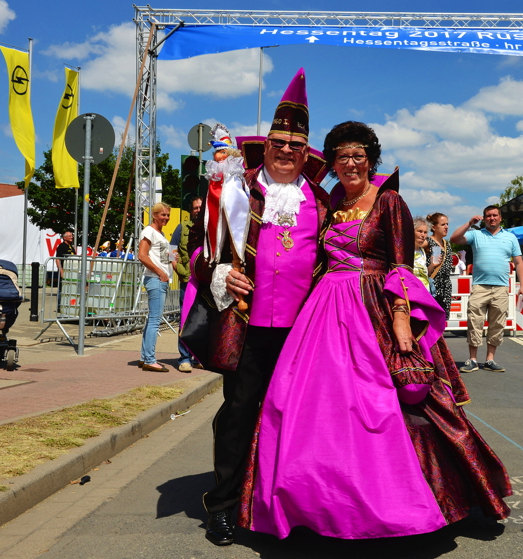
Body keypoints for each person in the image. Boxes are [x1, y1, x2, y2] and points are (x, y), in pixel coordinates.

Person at [240, 121, 512, 540]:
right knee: (303, 403)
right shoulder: (328, 202)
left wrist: (401, 319)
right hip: (324, 309)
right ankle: (312, 500)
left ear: (371, 160)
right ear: (331, 163)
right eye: (341, 157)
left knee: (392, 402)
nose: (350, 164)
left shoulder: (388, 201)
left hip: (374, 309)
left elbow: (401, 264)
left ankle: (414, 500)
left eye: (358, 156)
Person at [186, 69, 331, 547]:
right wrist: (221, 273)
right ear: (264, 145)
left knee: (297, 419)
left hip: (304, 333)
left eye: (295, 144)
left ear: (306, 152)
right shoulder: (234, 190)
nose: (286, 150)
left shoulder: (324, 202)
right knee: (238, 413)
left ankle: (283, 503)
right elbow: (199, 254)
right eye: (278, 141)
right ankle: (223, 505)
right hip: (246, 326)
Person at [450, 206, 523, 373]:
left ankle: (490, 360)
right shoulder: (476, 234)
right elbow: (454, 239)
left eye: (494, 215)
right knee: (474, 322)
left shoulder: (510, 238)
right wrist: (469, 223)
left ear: (500, 218)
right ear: (484, 218)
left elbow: (519, 262)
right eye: (488, 216)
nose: (491, 218)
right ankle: (472, 359)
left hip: (501, 287)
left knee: (497, 324)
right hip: (480, 286)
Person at [137, 202, 172, 373]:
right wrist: (161, 272)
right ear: (154, 215)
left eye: (167, 215)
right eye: (163, 214)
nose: (166, 218)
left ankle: (145, 357)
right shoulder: (149, 231)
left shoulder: (160, 233)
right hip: (156, 279)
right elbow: (141, 255)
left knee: (152, 320)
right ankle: (150, 359)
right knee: (155, 321)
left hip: (159, 279)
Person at [172, 195, 202, 373]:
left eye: (200, 207)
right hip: (188, 280)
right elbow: (171, 250)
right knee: (185, 318)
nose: (198, 210)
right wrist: (179, 270)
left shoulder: (210, 227)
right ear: (190, 211)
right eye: (195, 208)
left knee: (202, 320)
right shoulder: (182, 228)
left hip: (206, 281)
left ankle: (198, 356)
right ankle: (184, 358)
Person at [427, 212, 453, 319]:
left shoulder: (447, 243)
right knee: (430, 319)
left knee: (442, 320)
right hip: (433, 284)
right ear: (433, 227)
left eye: (447, 224)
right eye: (443, 225)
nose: (446, 227)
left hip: (445, 286)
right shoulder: (427, 242)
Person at [55, 230, 76, 312]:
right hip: (64, 271)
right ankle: (60, 307)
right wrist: (61, 271)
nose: (71, 237)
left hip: (72, 272)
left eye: (72, 236)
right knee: (62, 289)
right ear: (64, 238)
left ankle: (67, 306)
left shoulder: (71, 247)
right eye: (70, 236)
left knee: (70, 289)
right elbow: (57, 260)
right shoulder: (61, 246)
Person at [413, 217, 431, 290]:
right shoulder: (406, 251)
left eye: (425, 232)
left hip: (424, 292)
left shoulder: (422, 251)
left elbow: (425, 274)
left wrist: (432, 265)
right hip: (412, 292)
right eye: (420, 231)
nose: (423, 235)